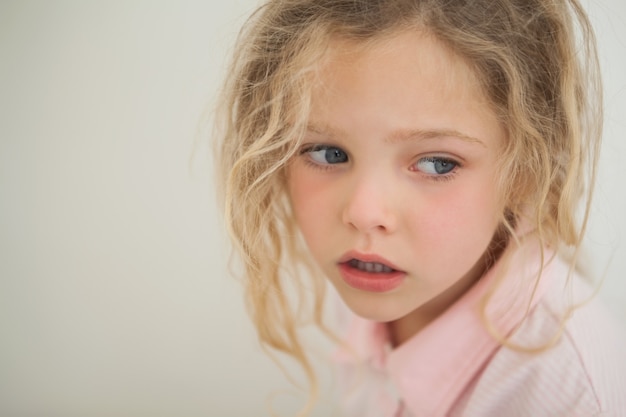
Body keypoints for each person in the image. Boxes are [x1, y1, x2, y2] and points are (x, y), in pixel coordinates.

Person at [215, 0, 626, 415]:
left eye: (436, 164)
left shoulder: (566, 389)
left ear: (525, 170)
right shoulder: (372, 277)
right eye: (327, 153)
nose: (364, 212)